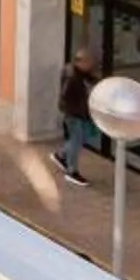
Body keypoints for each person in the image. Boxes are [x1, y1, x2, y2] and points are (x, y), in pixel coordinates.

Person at [55, 53, 98, 187]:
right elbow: (66, 95)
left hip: (80, 113)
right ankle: (72, 171)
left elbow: (90, 79)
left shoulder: (80, 72)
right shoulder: (72, 76)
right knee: (76, 141)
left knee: (82, 137)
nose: (91, 65)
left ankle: (62, 155)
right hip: (74, 114)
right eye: (89, 62)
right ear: (81, 62)